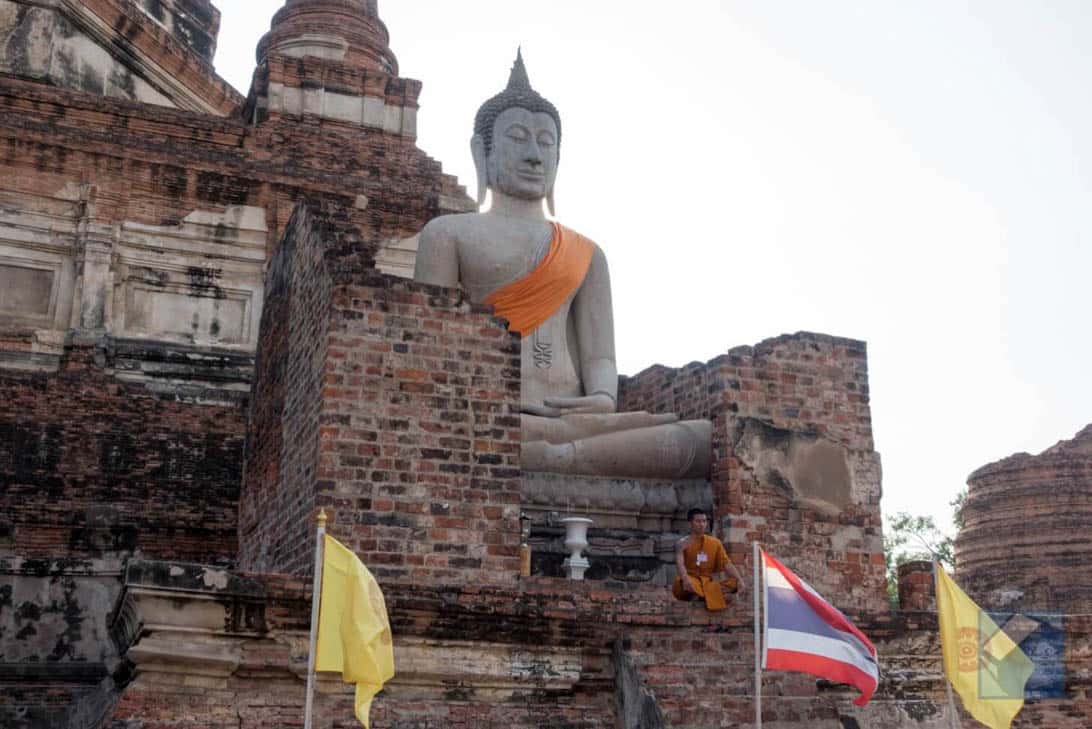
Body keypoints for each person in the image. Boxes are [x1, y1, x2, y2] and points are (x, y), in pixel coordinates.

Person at [413, 51, 711, 480]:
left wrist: (603, 398)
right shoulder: (449, 233)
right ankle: (548, 456)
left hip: (577, 422)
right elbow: (431, 350)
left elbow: (600, 358)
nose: (535, 155)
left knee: (697, 438)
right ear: (483, 151)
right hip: (491, 411)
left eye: (546, 142)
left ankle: (553, 457)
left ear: (559, 157)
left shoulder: (585, 251)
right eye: (517, 137)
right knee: (463, 431)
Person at [673, 508, 746, 611]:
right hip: (691, 581)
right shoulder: (681, 543)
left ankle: (702, 596)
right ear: (690, 523)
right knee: (682, 584)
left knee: (734, 583)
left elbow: (727, 564)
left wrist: (740, 580)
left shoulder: (715, 543)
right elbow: (680, 564)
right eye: (698, 521)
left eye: (704, 521)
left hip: (708, 583)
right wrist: (685, 579)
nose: (702, 524)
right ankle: (711, 595)